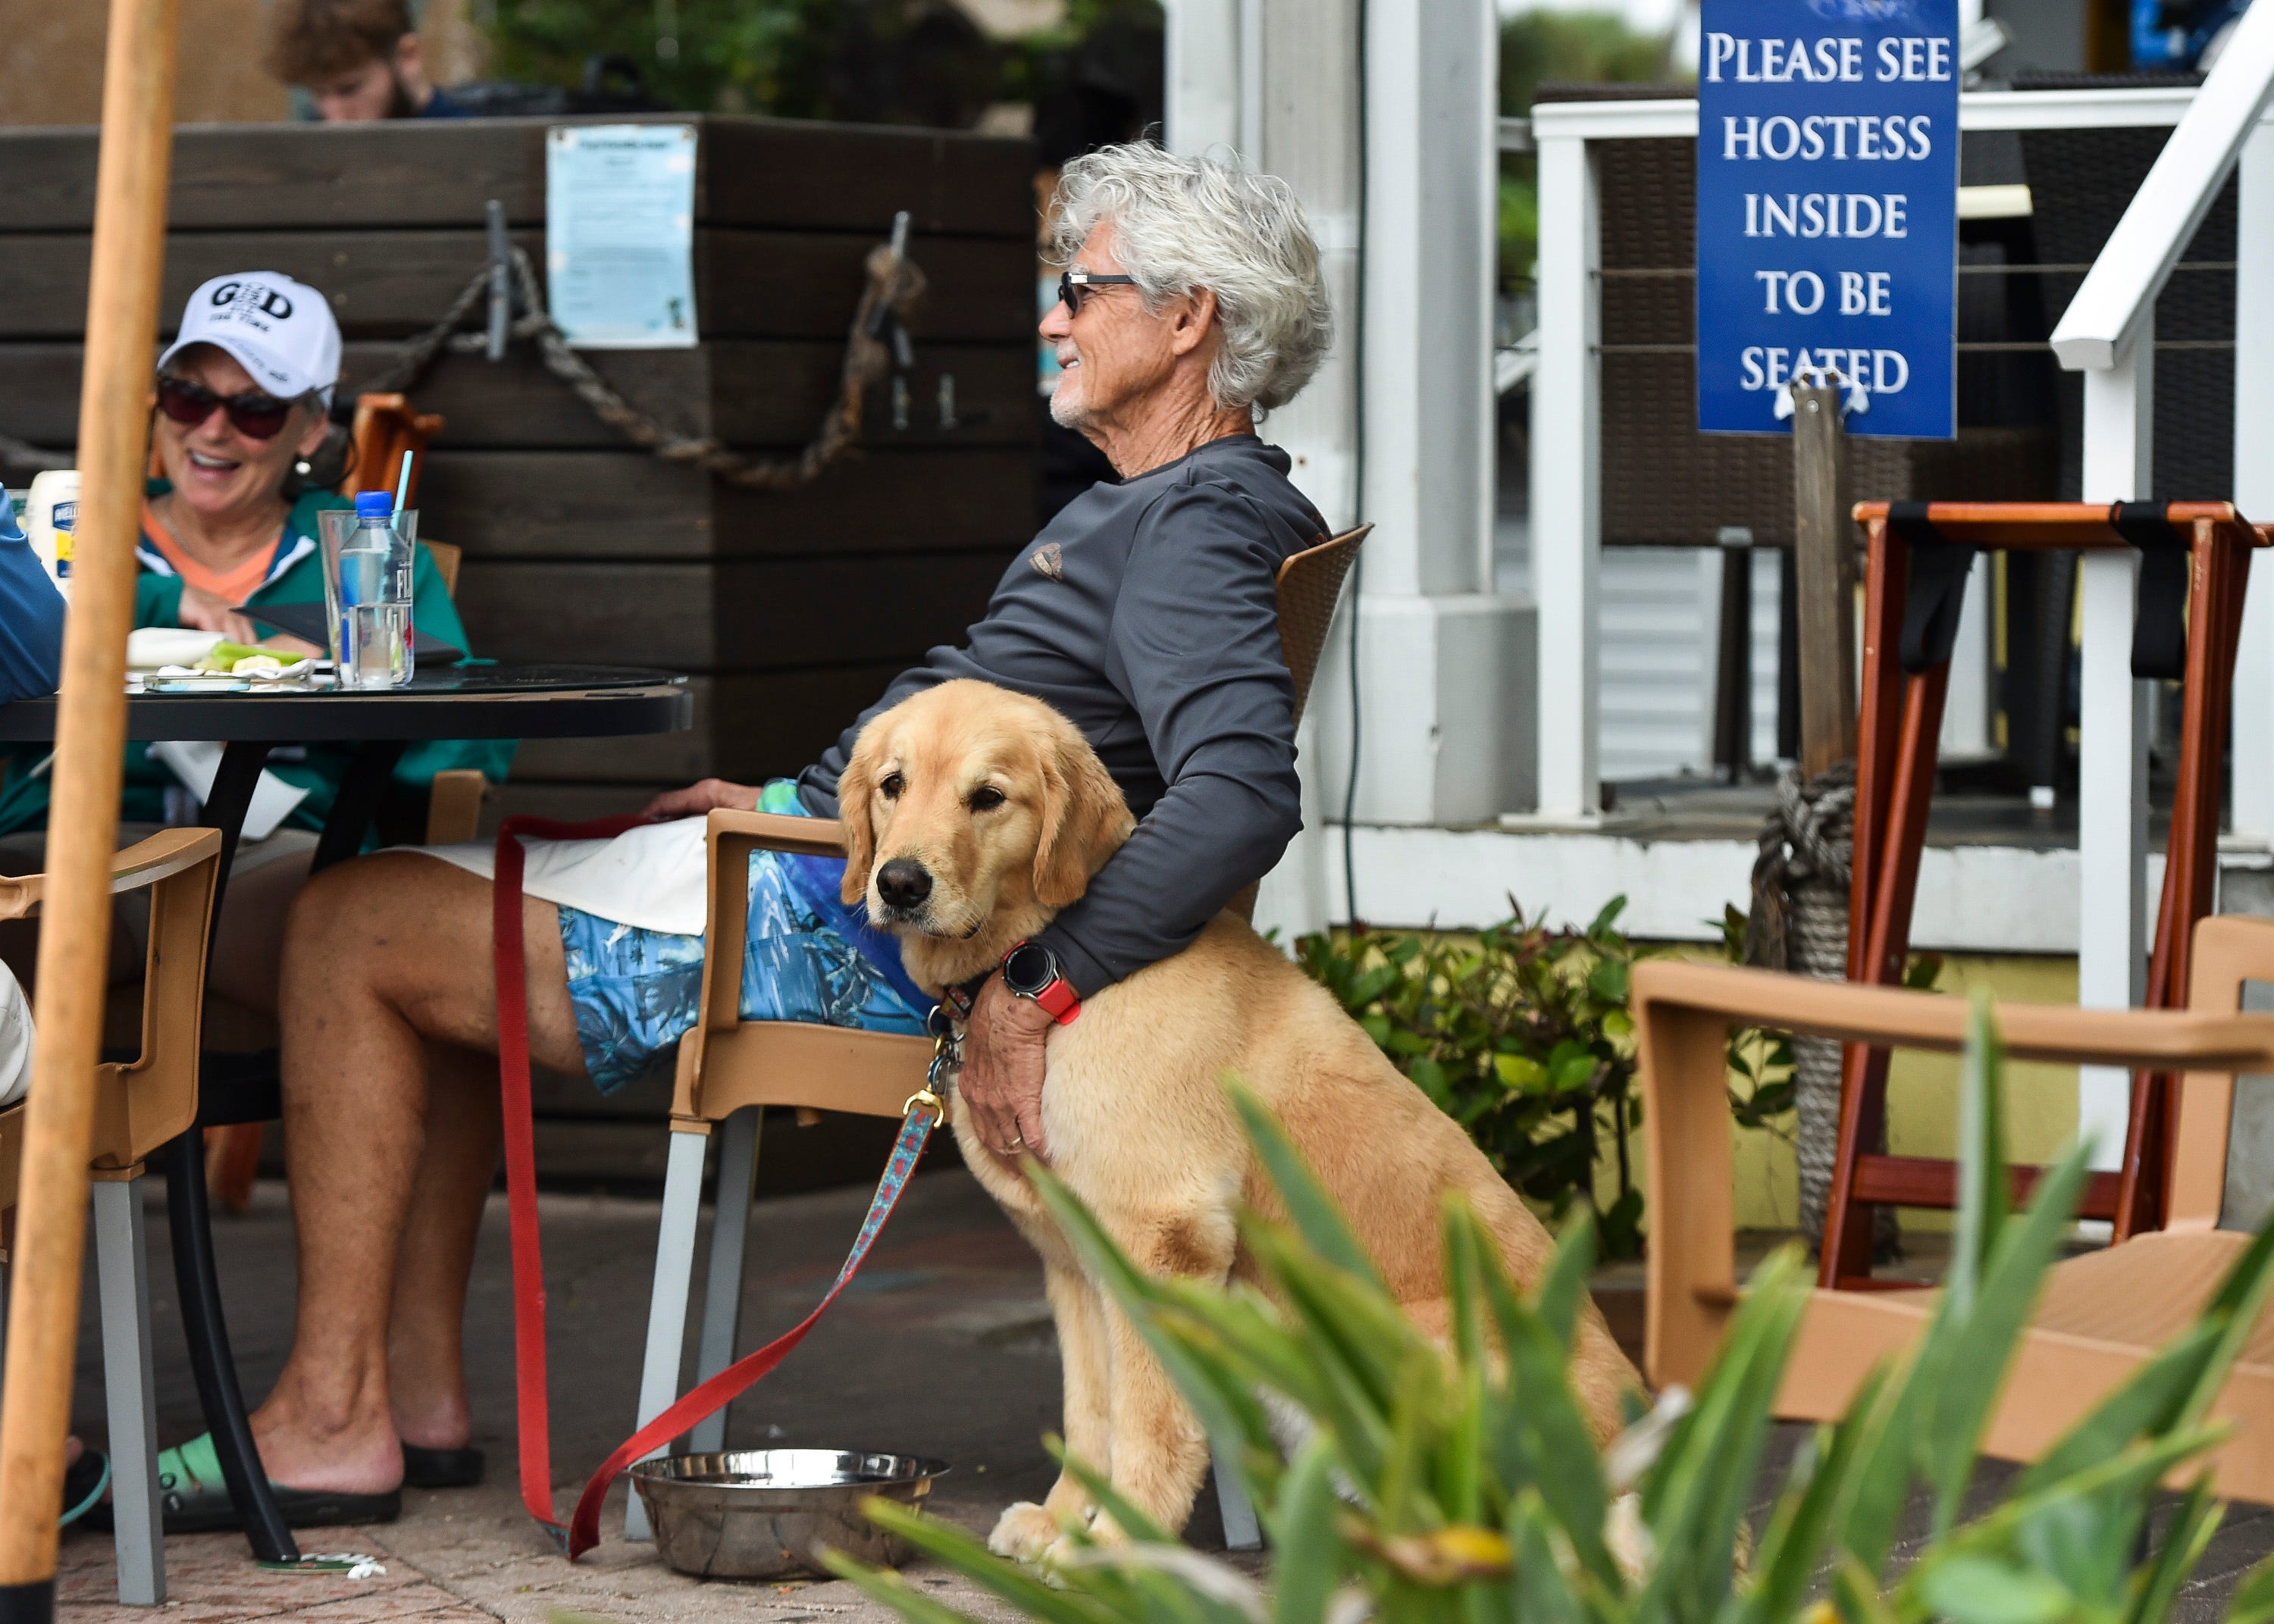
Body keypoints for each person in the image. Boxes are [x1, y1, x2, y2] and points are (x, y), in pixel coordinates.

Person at [174, 142, 1335, 1530]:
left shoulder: (1195, 522)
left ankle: (336, 1409)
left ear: (1190, 314)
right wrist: (801, 796)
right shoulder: (1168, 503)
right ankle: (405, 1388)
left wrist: (1038, 987)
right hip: (821, 864)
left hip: (840, 927)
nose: (1050, 317)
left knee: (346, 922)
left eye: (1080, 290)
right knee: (350, 905)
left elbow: (1240, 791)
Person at [0, 272, 508, 1016]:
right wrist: (164, 610)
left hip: (267, 861)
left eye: (256, 410)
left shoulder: (361, 555)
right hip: (59, 848)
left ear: (310, 428)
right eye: (189, 396)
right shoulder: (69, 526)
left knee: (407, 965)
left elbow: (460, 758)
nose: (211, 429)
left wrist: (336, 675)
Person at [265, 0, 469, 122]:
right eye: (319, 93)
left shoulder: (475, 146)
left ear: (408, 55)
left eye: (349, 89)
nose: (335, 118)